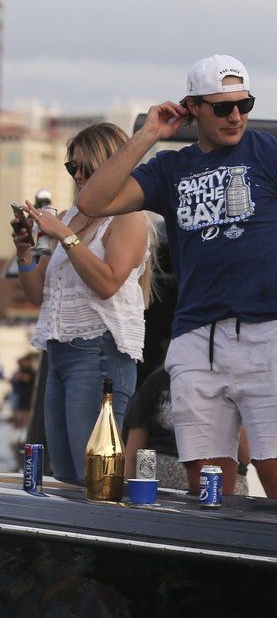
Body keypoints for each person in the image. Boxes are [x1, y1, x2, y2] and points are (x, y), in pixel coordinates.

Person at [77, 55, 277, 500]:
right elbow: (92, 201)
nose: (236, 116)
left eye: (244, 104)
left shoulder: (273, 154)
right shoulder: (170, 168)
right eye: (222, 107)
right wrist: (148, 134)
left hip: (270, 333)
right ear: (193, 108)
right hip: (196, 339)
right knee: (206, 489)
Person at [10, 123, 154, 485]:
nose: (76, 175)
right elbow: (37, 294)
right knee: (65, 475)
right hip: (59, 353)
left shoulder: (128, 217)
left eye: (85, 166)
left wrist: (67, 237)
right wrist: (25, 250)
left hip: (99, 353)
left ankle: (97, 542)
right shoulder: (69, 219)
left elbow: (107, 282)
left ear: (108, 164)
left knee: (93, 478)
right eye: (70, 166)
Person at [123, 368, 250, 494]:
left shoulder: (232, 382)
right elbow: (132, 456)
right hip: (158, 491)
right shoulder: (159, 380)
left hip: (216, 486)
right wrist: (127, 495)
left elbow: (246, 455)